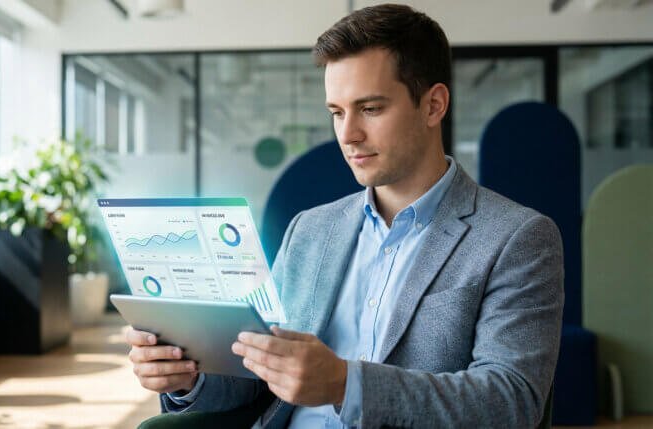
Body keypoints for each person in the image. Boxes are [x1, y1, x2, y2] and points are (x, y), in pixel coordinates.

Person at [125, 4, 564, 428]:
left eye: (370, 109)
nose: (348, 135)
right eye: (337, 112)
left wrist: (345, 384)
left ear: (433, 106)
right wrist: (188, 377)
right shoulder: (309, 230)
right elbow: (259, 378)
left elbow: (512, 401)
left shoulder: (517, 237)